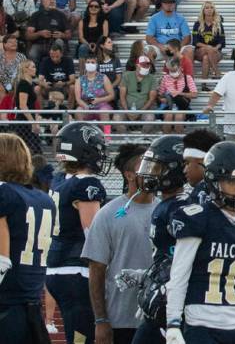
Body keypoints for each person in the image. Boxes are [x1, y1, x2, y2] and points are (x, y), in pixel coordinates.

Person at [164, 141, 235, 344]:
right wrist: (173, 322)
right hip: (202, 323)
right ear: (214, 181)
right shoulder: (198, 219)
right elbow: (179, 275)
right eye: (230, 181)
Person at [83, 143, 156, 344]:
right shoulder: (107, 215)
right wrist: (101, 320)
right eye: (146, 167)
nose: (153, 173)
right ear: (129, 175)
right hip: (121, 319)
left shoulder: (167, 211)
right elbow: (96, 270)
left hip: (158, 318)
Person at [47, 122, 109, 344]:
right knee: (83, 336)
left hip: (57, 266)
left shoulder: (60, 180)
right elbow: (93, 234)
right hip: (76, 269)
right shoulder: (87, 183)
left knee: (77, 334)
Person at [0, 133, 57, 342]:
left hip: (6, 306)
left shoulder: (4, 193)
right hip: (30, 307)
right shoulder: (43, 199)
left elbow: (2, 259)